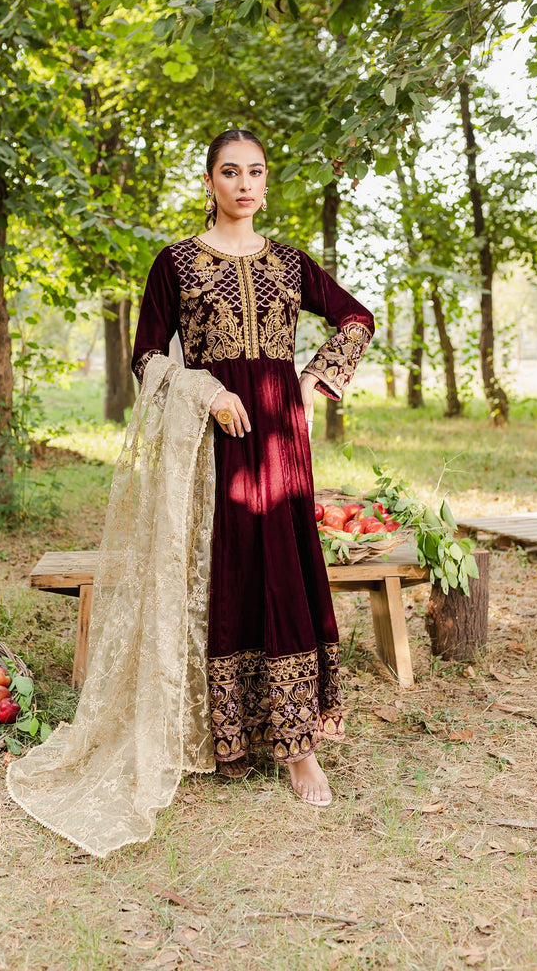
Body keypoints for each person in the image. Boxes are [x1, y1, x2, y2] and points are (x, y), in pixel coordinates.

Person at [131, 128, 375, 806]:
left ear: (266, 185)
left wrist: (312, 380)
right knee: (230, 573)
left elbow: (356, 318)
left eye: (256, 172)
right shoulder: (176, 263)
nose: (244, 183)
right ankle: (228, 737)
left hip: (280, 438)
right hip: (215, 441)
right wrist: (205, 392)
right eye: (231, 172)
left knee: (285, 573)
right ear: (210, 182)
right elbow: (146, 356)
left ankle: (299, 749)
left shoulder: (290, 264)